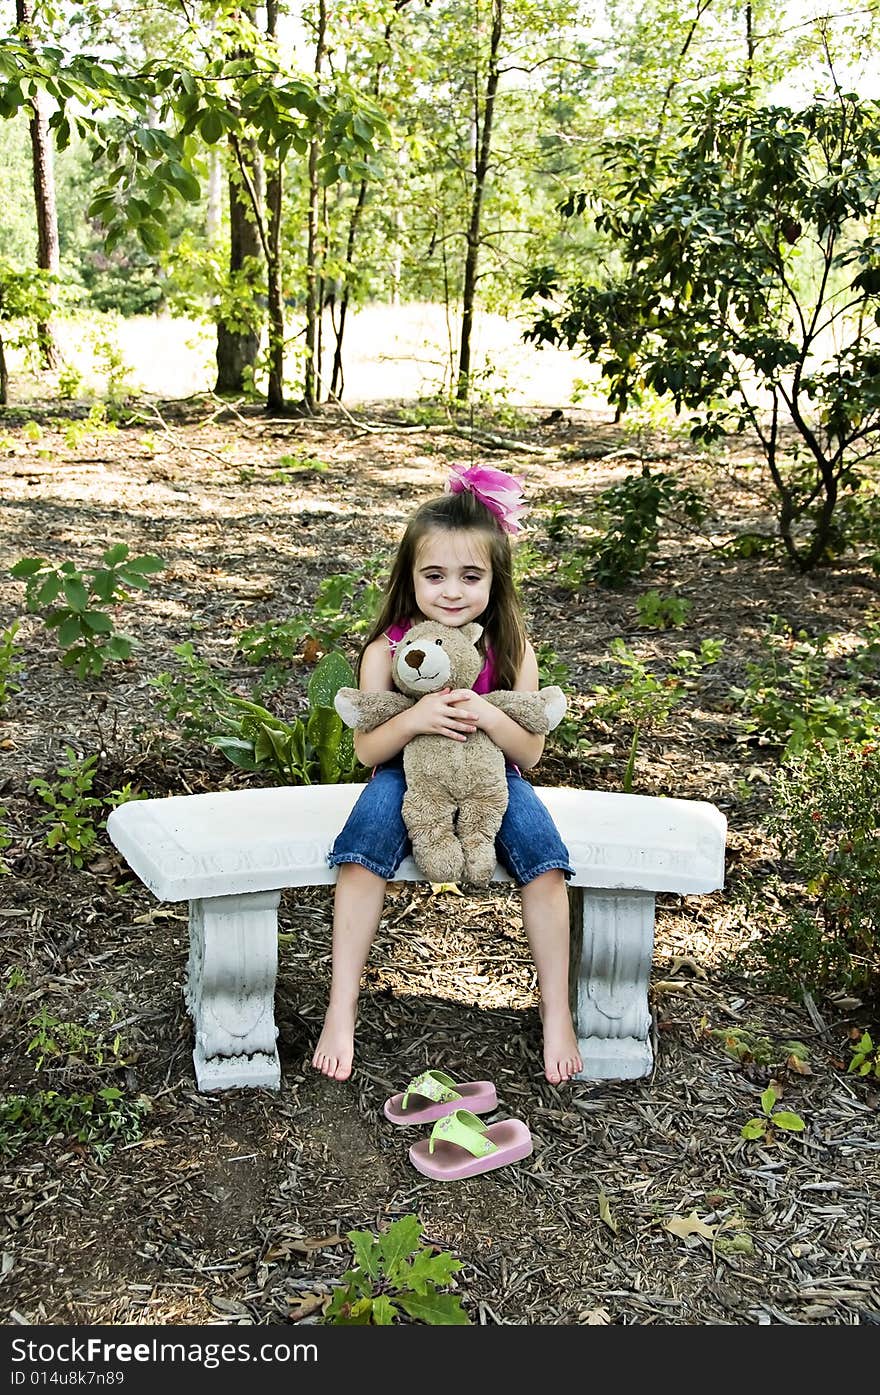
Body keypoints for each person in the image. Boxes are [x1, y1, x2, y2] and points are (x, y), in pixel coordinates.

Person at [311, 463, 584, 1086]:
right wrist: (416, 720)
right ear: (410, 577)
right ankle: (341, 1005)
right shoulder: (387, 649)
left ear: (496, 578)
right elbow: (367, 750)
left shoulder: (513, 650)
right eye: (435, 575)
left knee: (545, 861)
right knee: (361, 853)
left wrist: (487, 711)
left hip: (497, 780)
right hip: (405, 776)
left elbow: (531, 755)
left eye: (471, 576)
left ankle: (557, 1012)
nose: (452, 591)